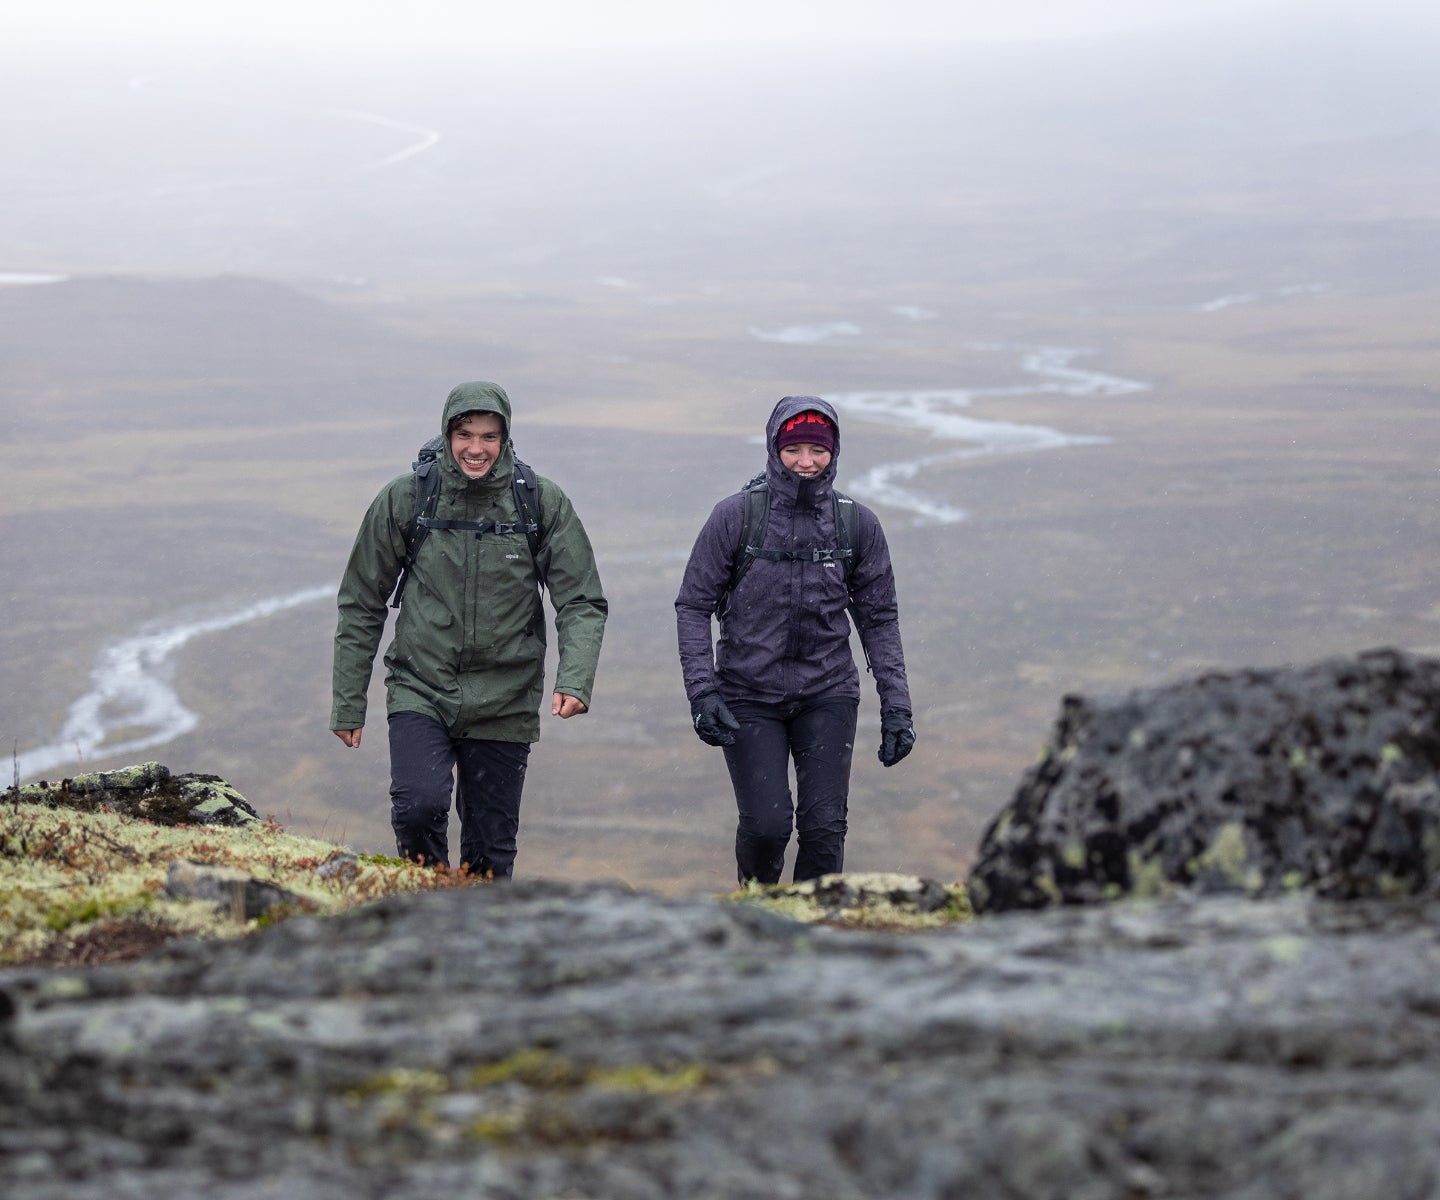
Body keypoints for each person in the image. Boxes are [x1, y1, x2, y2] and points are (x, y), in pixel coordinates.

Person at [331, 380, 607, 877]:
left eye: (488, 436)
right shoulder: (407, 498)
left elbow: (581, 599)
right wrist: (349, 701)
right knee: (418, 809)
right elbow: (361, 602)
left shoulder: (538, 502)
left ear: (505, 439)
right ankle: (429, 902)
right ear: (446, 433)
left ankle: (477, 940)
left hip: (506, 696)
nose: (475, 449)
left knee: (490, 854)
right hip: (422, 686)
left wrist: (575, 679)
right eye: (464, 434)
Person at [675, 396, 915, 885]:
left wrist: (897, 707)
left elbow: (880, 619)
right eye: (795, 449)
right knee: (767, 827)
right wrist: (703, 693)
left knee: (825, 831)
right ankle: (757, 914)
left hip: (828, 694)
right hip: (748, 695)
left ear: (835, 452)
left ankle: (817, 938)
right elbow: (693, 605)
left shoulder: (856, 524)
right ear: (773, 449)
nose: (807, 462)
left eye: (818, 450)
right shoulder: (735, 517)